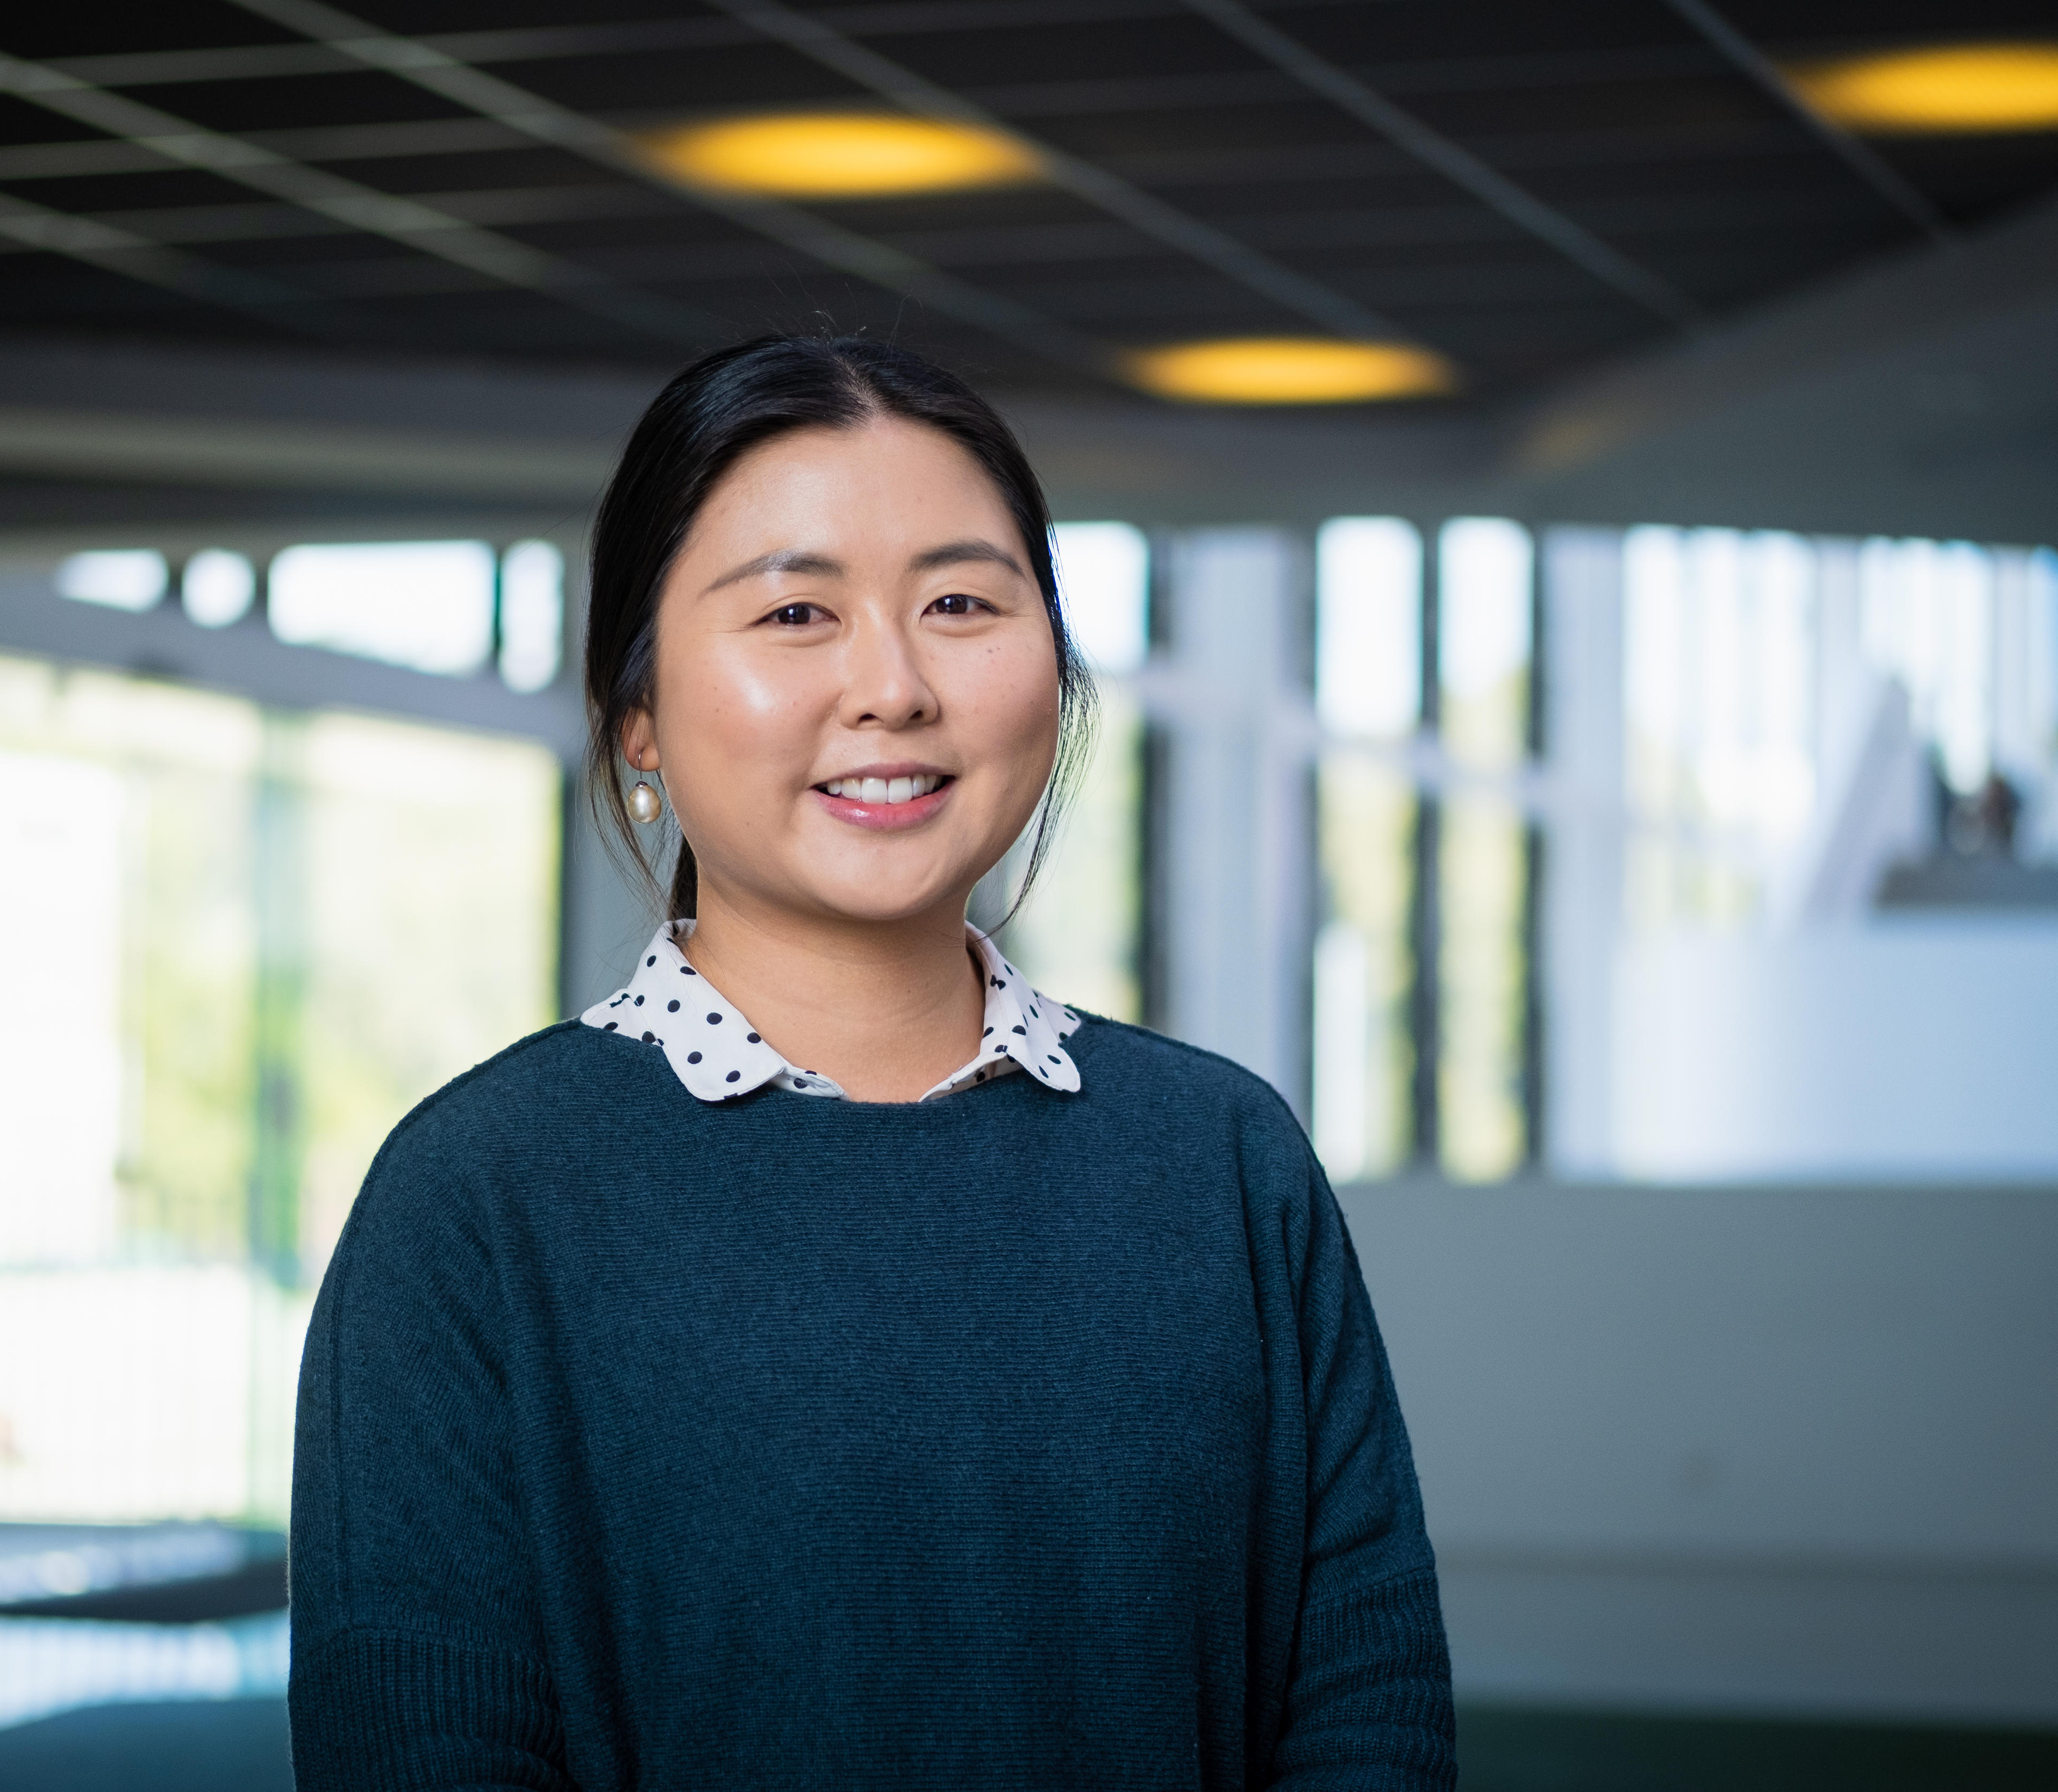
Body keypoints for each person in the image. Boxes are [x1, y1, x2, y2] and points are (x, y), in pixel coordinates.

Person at [288, 335, 1454, 1790]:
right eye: (795, 613)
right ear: (635, 713)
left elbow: (1366, 1718)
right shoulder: (477, 1201)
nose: (893, 687)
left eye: (961, 602)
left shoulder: (1223, 1161)